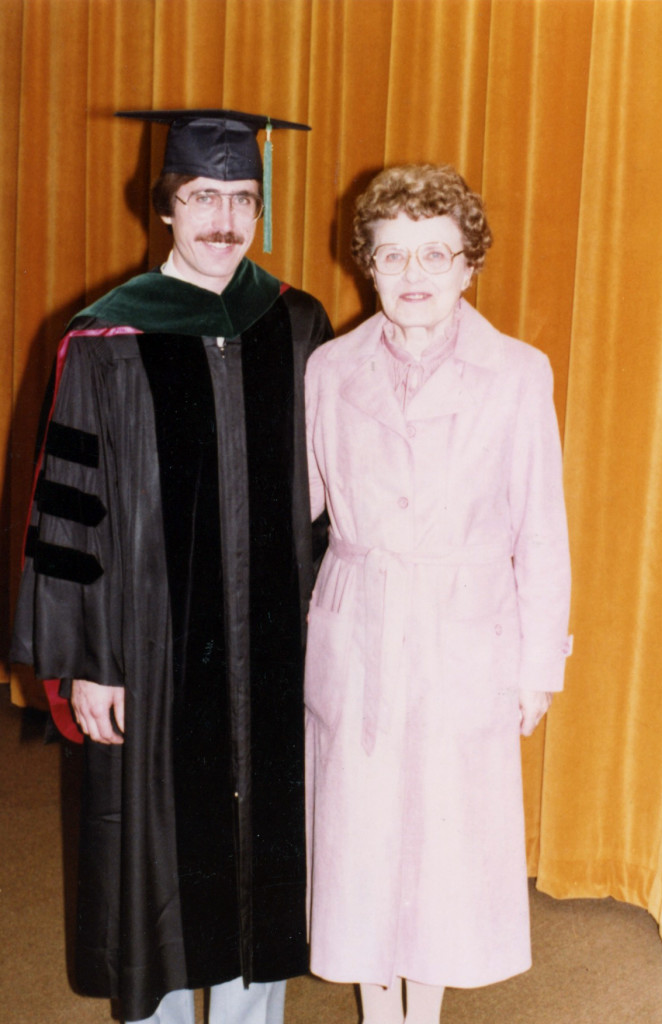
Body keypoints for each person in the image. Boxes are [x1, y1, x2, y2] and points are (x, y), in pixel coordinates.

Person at [11, 109, 332, 1024]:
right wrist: (83, 664)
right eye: (202, 197)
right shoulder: (106, 341)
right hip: (149, 653)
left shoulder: (295, 322)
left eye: (242, 198)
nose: (224, 219)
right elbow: (65, 514)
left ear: (261, 208)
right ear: (163, 209)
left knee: (265, 854)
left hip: (274, 650)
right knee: (154, 850)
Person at [303, 164, 572, 1024]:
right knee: (360, 842)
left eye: (435, 255)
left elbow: (542, 529)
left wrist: (537, 666)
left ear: (468, 266)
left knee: (443, 849)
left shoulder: (519, 373)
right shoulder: (327, 369)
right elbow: (291, 511)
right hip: (357, 623)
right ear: (367, 266)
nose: (413, 276)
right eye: (393, 256)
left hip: (465, 632)